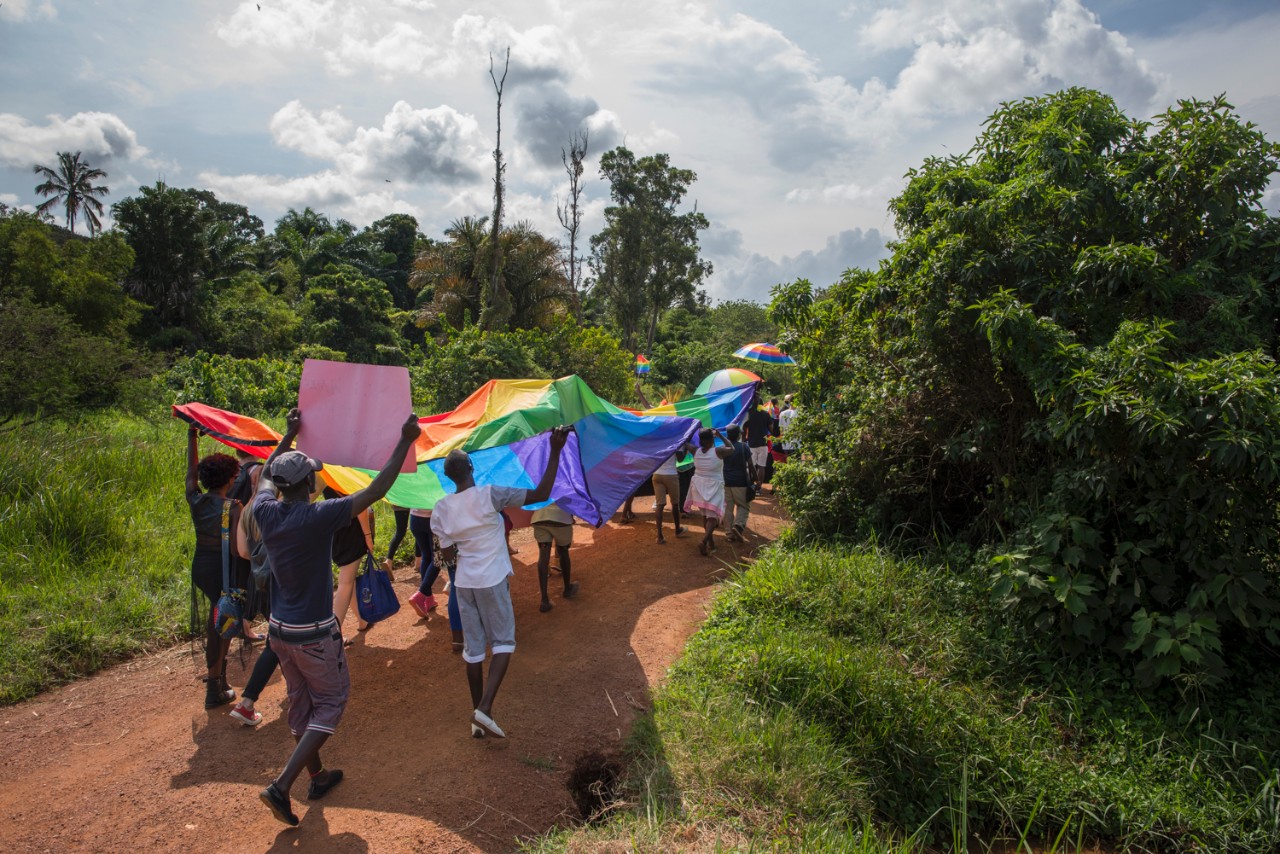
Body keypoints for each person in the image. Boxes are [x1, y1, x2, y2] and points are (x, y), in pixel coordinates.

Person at [253, 407, 420, 827]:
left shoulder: (264, 511)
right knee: (330, 703)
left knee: (301, 704)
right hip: (313, 633)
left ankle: (318, 776)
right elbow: (377, 489)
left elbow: (266, 475)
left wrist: (288, 434)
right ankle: (281, 786)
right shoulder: (319, 515)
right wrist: (405, 440)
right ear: (309, 484)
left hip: (279, 631)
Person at [433, 425, 571, 739]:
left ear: (449, 476)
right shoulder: (490, 494)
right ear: (471, 468)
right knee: (504, 643)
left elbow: (447, 553)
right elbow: (541, 494)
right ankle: (484, 709)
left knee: (474, 651)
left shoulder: (441, 508)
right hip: (491, 579)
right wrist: (555, 450)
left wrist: (465, 541)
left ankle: (477, 719)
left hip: (464, 584)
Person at [184, 427, 244, 710]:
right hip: (224, 571)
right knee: (223, 625)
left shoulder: (196, 500)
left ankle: (218, 681)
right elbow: (235, 550)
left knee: (215, 622)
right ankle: (215, 687)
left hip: (201, 568)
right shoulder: (233, 507)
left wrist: (192, 436)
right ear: (230, 479)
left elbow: (190, 473)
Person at [228, 481, 282, 727]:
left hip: (257, 580)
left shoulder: (248, 510)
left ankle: (249, 702)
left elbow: (242, 551)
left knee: (278, 639)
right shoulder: (280, 509)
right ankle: (247, 702)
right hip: (280, 581)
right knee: (279, 641)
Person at [325, 486, 376, 639]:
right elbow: (361, 507)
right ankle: (333, 634)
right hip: (351, 531)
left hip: (335, 530)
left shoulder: (326, 476)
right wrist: (368, 535)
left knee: (348, 580)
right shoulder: (346, 477)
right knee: (346, 582)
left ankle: (362, 619)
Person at [681, 427, 734, 556]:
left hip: (698, 487)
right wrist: (720, 436)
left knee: (705, 516)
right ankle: (704, 541)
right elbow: (732, 448)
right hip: (713, 487)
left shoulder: (695, 450)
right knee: (713, 518)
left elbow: (685, 442)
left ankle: (711, 544)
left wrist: (690, 430)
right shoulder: (718, 451)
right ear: (712, 439)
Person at [532, 501, 578, 612]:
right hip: (561, 519)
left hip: (540, 518)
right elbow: (572, 501)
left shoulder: (540, 487)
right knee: (563, 551)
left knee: (543, 556)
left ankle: (544, 600)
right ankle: (567, 589)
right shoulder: (567, 487)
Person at [722, 424, 757, 543]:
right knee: (744, 506)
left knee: (728, 508)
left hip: (726, 482)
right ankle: (738, 525)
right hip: (741, 482)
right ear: (738, 435)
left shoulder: (723, 448)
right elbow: (751, 465)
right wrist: (756, 479)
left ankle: (729, 534)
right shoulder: (743, 447)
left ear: (727, 436)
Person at [744, 393, 775, 490]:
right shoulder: (765, 414)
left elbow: (744, 427)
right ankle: (759, 486)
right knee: (761, 466)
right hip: (763, 444)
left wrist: (745, 438)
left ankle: (751, 485)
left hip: (751, 444)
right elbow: (771, 429)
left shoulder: (748, 414)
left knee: (751, 466)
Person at [382, 504, 415, 573]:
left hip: (399, 504)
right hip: (406, 504)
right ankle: (418, 562)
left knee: (400, 532)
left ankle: (388, 560)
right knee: (415, 532)